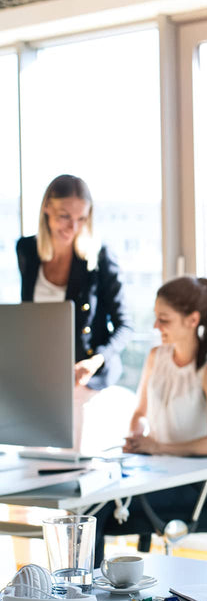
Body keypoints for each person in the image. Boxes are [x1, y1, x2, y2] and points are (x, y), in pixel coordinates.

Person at [94, 275, 207, 562]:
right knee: (88, 500)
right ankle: (78, 592)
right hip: (155, 473)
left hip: (198, 485)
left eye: (164, 320)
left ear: (192, 320)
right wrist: (137, 437)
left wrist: (157, 448)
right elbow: (139, 413)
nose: (156, 327)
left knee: (96, 510)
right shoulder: (156, 356)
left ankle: (79, 595)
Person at [16, 174, 131, 449]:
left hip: (86, 370)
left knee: (68, 431)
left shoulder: (98, 257)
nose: (73, 226)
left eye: (82, 219)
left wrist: (96, 361)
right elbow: (27, 316)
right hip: (42, 369)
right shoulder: (28, 250)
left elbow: (124, 326)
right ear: (46, 208)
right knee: (27, 436)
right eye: (65, 216)